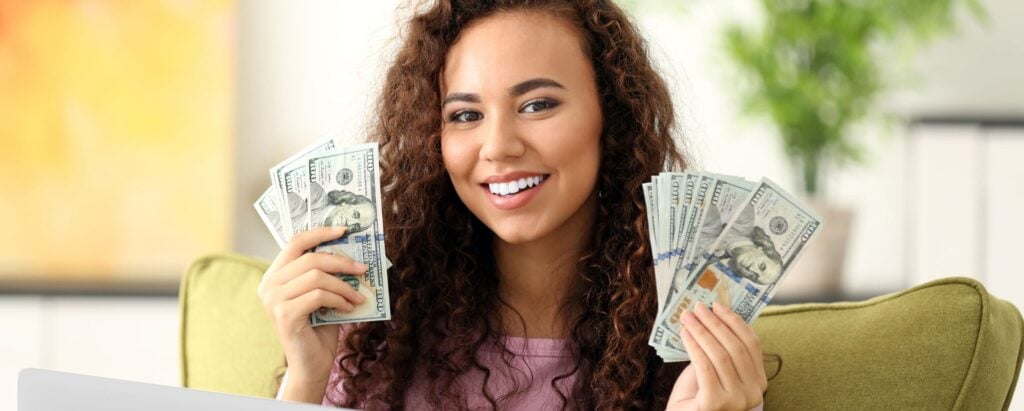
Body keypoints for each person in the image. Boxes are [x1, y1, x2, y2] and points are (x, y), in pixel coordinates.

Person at [257, 1, 768, 409]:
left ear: (610, 116)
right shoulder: (370, 334)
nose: (498, 145)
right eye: (465, 114)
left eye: (537, 105)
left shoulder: (693, 343)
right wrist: (304, 381)